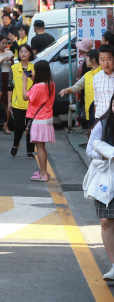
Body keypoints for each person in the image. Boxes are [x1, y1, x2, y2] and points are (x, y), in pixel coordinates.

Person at [85, 94, 114, 281]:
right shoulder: (103, 124)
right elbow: (89, 149)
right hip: (106, 177)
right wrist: (103, 156)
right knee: (105, 220)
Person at [22, 60, 55, 182]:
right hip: (47, 118)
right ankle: (43, 171)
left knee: (40, 147)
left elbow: (25, 97)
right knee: (42, 146)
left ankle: (44, 174)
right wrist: (33, 79)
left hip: (38, 120)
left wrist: (24, 82)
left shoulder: (36, 87)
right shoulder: (51, 84)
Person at [61, 49, 100, 129]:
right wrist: (67, 90)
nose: (85, 60)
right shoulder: (87, 75)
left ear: (93, 59)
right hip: (90, 112)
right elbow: (76, 87)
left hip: (101, 112)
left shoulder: (103, 74)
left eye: (87, 57)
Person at [8, 44, 36, 158]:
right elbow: (10, 86)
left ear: (30, 53)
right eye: (21, 52)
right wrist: (9, 102)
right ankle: (16, 145)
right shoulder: (14, 68)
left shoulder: (35, 68)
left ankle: (29, 151)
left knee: (30, 128)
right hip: (17, 103)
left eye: (26, 51)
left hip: (32, 103)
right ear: (18, 54)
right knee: (19, 127)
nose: (23, 53)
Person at [0, 34, 14, 134]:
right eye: (2, 43)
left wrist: (11, 60)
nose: (4, 45)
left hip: (8, 76)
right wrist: (2, 60)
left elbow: (13, 66)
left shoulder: (10, 52)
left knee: (7, 102)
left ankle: (5, 125)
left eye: (6, 43)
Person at [93, 45, 114, 120]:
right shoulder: (96, 77)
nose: (106, 63)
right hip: (101, 118)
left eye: (109, 59)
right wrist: (96, 119)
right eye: (102, 60)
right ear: (98, 61)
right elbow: (96, 100)